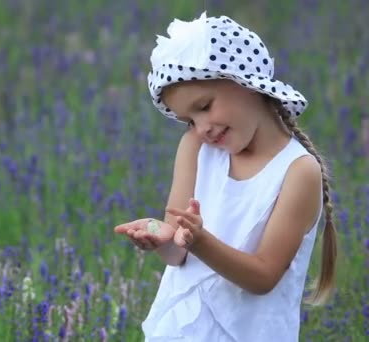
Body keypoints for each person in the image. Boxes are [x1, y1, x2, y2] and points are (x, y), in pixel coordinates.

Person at [114, 11, 338, 341]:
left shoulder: (298, 171)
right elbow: (178, 253)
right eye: (188, 119)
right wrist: (162, 239)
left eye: (204, 106)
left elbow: (263, 276)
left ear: (246, 83)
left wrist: (201, 242)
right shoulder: (195, 148)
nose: (201, 127)